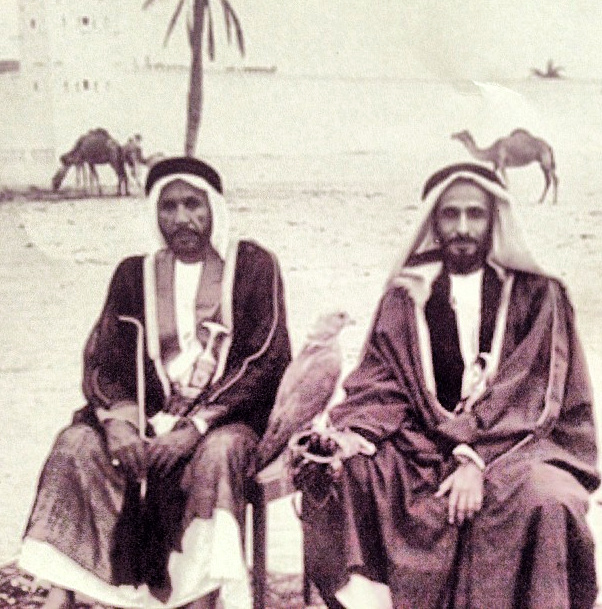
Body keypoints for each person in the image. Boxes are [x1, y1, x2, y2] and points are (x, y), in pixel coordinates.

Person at [296, 163, 600, 609]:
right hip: (424, 444)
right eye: (450, 214)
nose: (462, 227)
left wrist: (475, 460)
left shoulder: (539, 294)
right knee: (349, 472)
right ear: (433, 223)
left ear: (494, 220)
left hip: (521, 445)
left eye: (475, 214)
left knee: (548, 499)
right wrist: (354, 435)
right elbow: (383, 380)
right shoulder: (407, 294)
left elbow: (535, 394)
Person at [19, 156, 291, 609]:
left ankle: (199, 598)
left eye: (193, 204)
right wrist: (120, 423)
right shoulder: (133, 275)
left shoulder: (252, 266)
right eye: (168, 206)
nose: (181, 218)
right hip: (147, 418)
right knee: (75, 445)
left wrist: (195, 427)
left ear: (214, 208)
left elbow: (266, 358)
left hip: (225, 421)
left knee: (217, 455)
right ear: (154, 213)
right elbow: (104, 361)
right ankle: (63, 591)